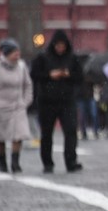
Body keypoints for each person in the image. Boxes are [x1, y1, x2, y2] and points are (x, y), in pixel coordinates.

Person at [30, 30, 84, 173]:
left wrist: (68, 74)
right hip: (47, 101)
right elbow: (34, 74)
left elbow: (80, 77)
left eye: (63, 45)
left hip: (67, 100)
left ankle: (71, 161)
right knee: (47, 133)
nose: (60, 48)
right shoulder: (42, 57)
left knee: (71, 131)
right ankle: (47, 163)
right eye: (58, 45)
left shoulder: (72, 58)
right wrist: (49, 75)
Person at [0, 38, 33, 173]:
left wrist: (26, 101)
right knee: (0, 137)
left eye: (18, 51)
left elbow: (28, 85)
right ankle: (2, 162)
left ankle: (15, 163)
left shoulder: (21, 66)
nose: (17, 54)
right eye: (14, 52)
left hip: (18, 107)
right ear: (6, 53)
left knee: (19, 135)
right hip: (0, 108)